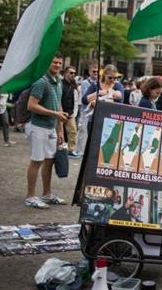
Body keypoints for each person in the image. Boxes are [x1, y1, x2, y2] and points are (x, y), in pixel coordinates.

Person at [24, 53, 68, 209]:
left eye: (59, 62)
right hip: (38, 126)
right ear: (48, 63)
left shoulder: (59, 82)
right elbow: (31, 105)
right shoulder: (41, 82)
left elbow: (58, 106)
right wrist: (54, 114)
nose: (57, 65)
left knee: (49, 161)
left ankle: (47, 194)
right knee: (37, 160)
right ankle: (30, 196)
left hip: (51, 128)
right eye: (54, 62)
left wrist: (61, 130)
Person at [74, 64, 99, 157]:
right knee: (82, 130)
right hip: (85, 111)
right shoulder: (85, 82)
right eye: (94, 71)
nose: (96, 73)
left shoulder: (99, 83)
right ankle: (79, 151)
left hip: (95, 112)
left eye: (97, 71)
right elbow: (85, 98)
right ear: (89, 72)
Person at [61, 66, 79, 157]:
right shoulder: (60, 84)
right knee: (59, 132)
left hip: (70, 113)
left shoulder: (73, 84)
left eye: (74, 73)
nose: (73, 75)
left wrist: (73, 112)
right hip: (60, 112)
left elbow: (75, 100)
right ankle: (58, 149)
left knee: (73, 131)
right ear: (65, 73)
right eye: (71, 73)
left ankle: (70, 150)